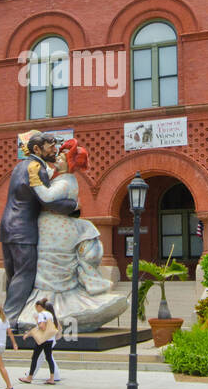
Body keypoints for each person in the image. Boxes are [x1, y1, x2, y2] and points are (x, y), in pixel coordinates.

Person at [15, 138, 127, 331]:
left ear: (69, 163)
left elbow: (48, 197)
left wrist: (35, 180)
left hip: (57, 231)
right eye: (58, 155)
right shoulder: (59, 176)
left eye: (61, 157)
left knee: (53, 269)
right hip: (50, 229)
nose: (57, 158)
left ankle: (56, 309)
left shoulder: (67, 181)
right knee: (46, 269)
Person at [1, 131, 79, 322]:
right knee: (24, 275)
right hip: (23, 231)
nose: (55, 150)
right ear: (37, 149)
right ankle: (9, 321)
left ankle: (7, 318)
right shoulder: (37, 168)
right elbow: (47, 201)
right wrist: (73, 206)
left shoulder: (21, 166)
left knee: (13, 277)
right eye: (51, 147)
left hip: (7, 228)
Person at [20, 298, 61, 385]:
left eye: (36, 307)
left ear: (39, 306)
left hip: (42, 339)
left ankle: (29, 377)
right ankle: (52, 378)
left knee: (35, 357)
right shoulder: (50, 314)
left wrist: (37, 323)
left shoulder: (41, 314)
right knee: (49, 358)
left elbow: (42, 326)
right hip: (49, 339)